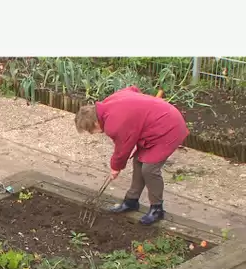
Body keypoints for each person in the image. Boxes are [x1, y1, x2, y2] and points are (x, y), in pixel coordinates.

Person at [74, 86, 189, 225]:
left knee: (150, 169)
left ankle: (157, 209)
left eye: (90, 130)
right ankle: (131, 201)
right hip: (154, 124)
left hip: (168, 127)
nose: (92, 133)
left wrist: (115, 167)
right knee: (138, 162)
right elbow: (132, 89)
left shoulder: (114, 124)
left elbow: (123, 148)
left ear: (95, 122)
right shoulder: (110, 101)